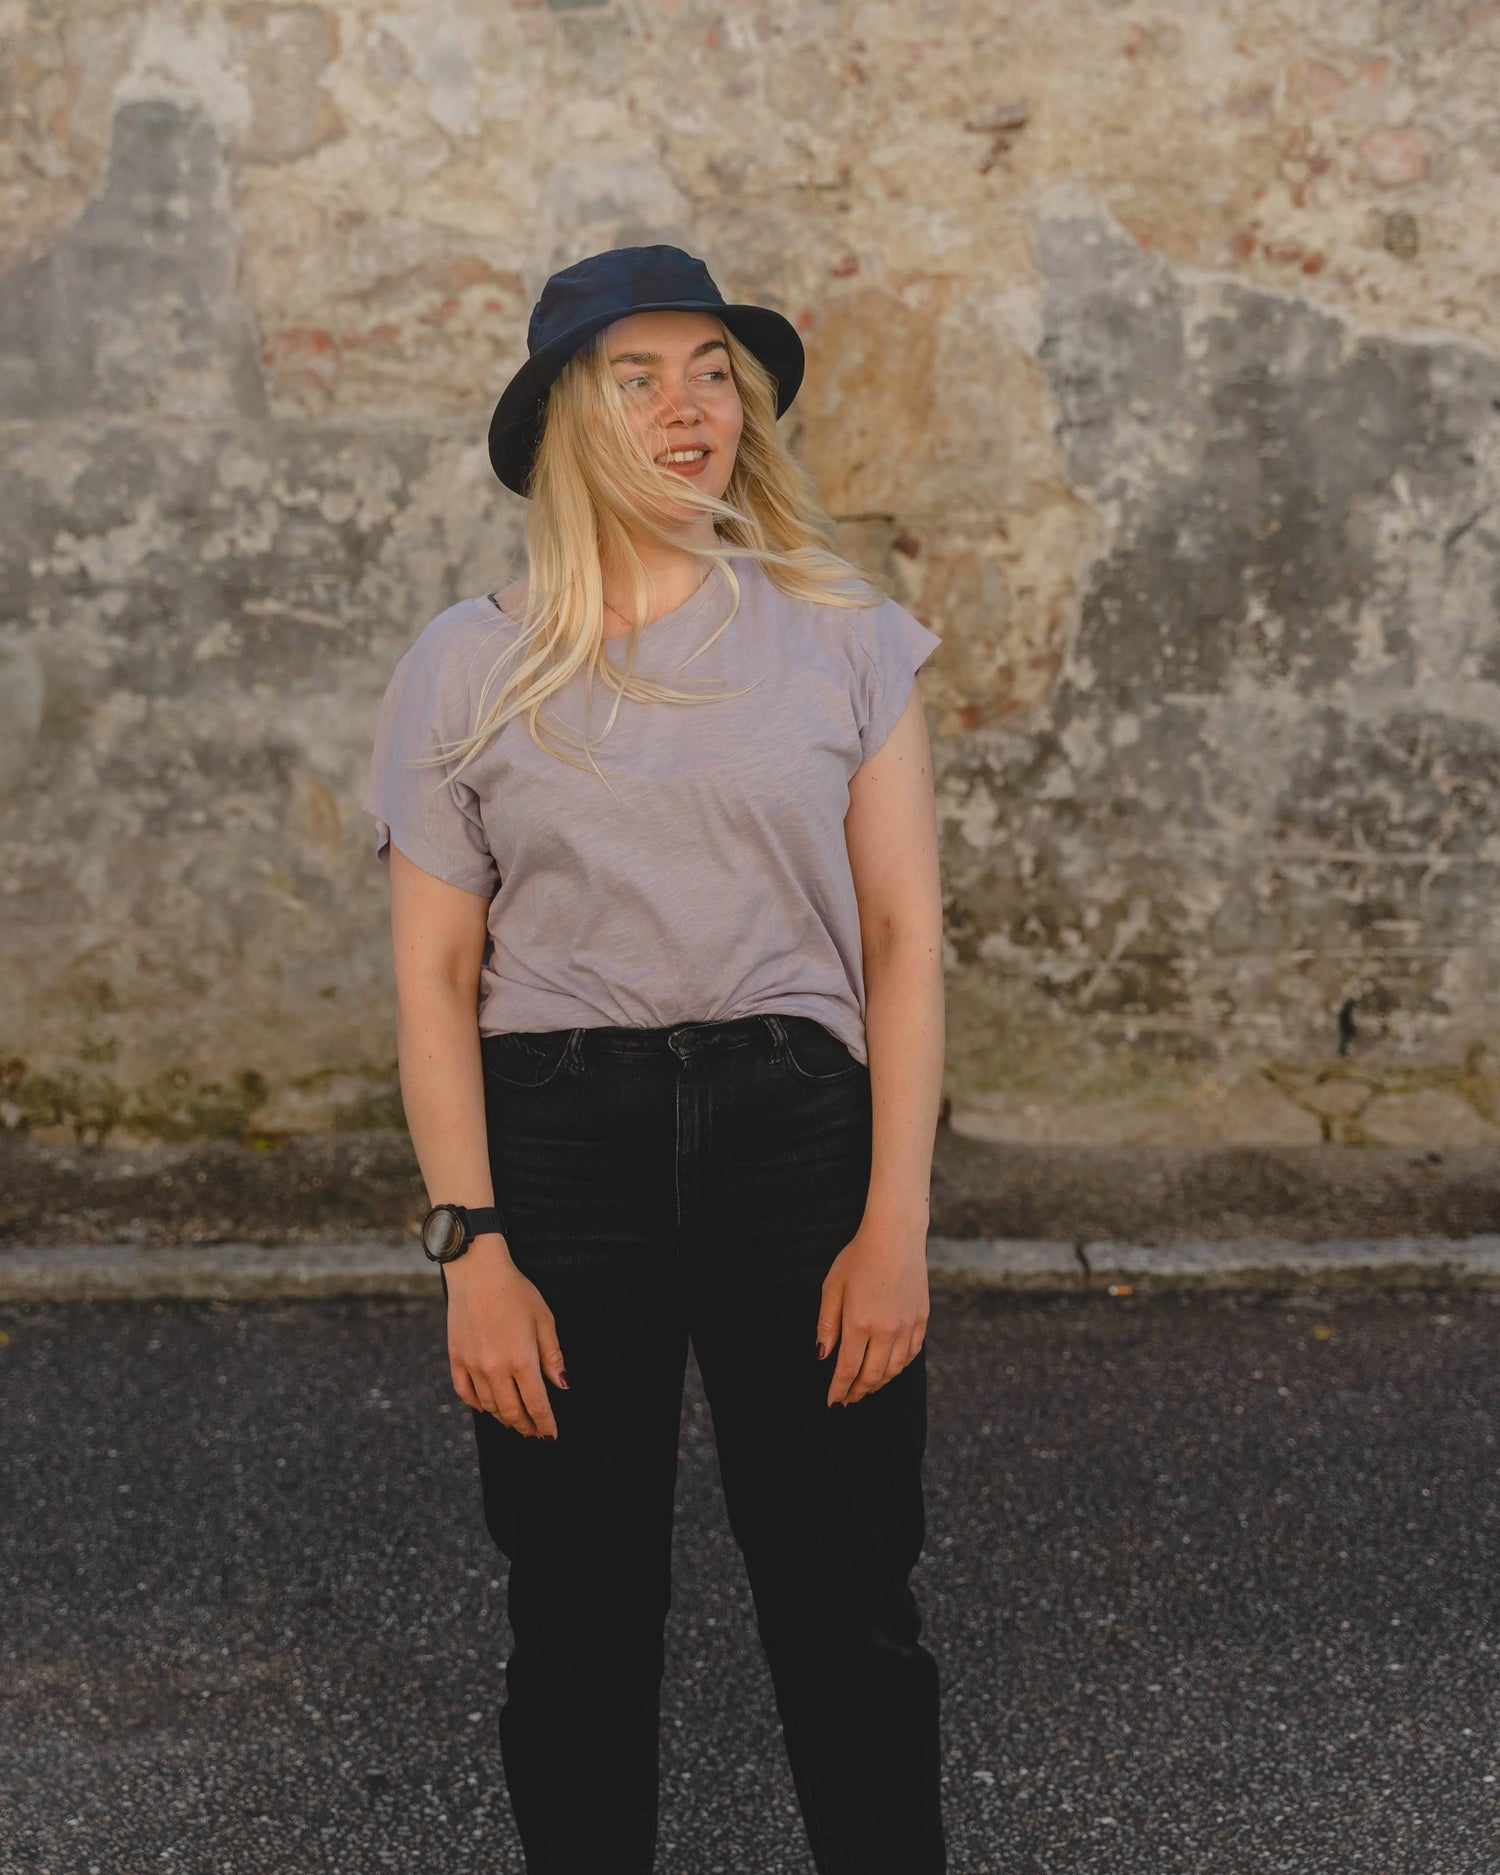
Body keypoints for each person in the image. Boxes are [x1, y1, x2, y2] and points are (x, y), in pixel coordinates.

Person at [363, 244, 948, 1875]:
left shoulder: (842, 635)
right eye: (639, 376)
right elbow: (435, 977)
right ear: (568, 414)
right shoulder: (465, 665)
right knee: (577, 1617)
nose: (688, 407)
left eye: (712, 373)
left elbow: (902, 940)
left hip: (799, 1141)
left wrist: (896, 1225)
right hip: (560, 1159)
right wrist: (472, 1250)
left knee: (850, 1604)